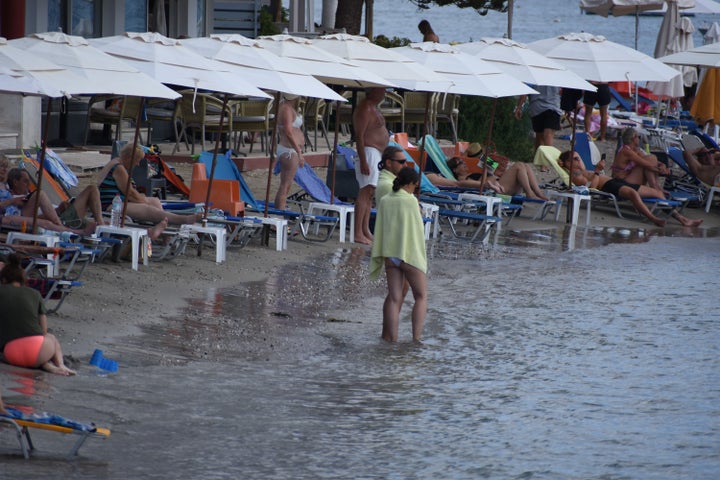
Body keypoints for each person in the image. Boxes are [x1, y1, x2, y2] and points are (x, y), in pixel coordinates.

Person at [559, 150, 702, 228]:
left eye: (578, 158)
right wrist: (597, 172)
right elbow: (591, 189)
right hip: (608, 187)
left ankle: (683, 219)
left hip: (616, 181)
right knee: (633, 194)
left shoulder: (584, 171)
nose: (579, 161)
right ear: (566, 164)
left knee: (658, 193)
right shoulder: (575, 175)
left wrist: (596, 171)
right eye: (575, 159)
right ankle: (654, 219)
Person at [370, 167, 427, 343]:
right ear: (410, 184)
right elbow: (416, 230)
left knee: (394, 298)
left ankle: (391, 340)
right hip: (408, 254)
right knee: (421, 297)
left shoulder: (386, 200)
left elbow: (381, 227)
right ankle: (416, 339)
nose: (415, 190)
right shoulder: (411, 201)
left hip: (390, 254)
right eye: (415, 186)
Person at [0, 253, 76, 375]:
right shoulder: (35, 294)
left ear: (3, 279)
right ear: (23, 279)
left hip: (11, 353)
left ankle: (47, 366)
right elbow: (44, 330)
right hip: (38, 351)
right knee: (50, 337)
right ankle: (60, 365)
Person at [97, 143, 198, 228]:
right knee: (149, 209)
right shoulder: (119, 168)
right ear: (130, 158)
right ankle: (182, 219)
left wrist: (144, 199)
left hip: (117, 201)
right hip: (111, 205)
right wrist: (144, 201)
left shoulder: (117, 163)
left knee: (155, 201)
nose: (138, 164)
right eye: (137, 160)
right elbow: (130, 194)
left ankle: (162, 229)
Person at [353, 87, 389, 245]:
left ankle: (365, 229)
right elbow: (359, 137)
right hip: (368, 153)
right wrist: (363, 161)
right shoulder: (365, 108)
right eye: (382, 90)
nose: (384, 93)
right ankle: (357, 232)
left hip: (376, 153)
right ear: (373, 91)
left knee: (370, 193)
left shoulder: (372, 108)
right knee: (365, 192)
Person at [612, 127, 669, 192]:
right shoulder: (626, 151)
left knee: (652, 157)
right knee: (649, 160)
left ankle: (656, 186)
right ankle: (655, 187)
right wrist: (662, 170)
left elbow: (651, 160)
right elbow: (647, 165)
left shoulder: (636, 150)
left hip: (629, 178)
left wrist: (662, 165)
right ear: (633, 138)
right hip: (621, 183)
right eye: (639, 137)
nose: (640, 139)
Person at [274, 94, 306, 210]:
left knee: (286, 185)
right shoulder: (286, 108)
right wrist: (299, 152)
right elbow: (288, 131)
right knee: (285, 186)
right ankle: (280, 218)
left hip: (289, 150)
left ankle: (280, 216)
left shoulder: (285, 107)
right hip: (289, 151)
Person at [515, 85, 562, 152]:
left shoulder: (532, 75)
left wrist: (519, 107)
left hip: (537, 107)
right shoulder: (557, 75)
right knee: (547, 135)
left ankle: (538, 159)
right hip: (552, 107)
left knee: (540, 136)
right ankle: (546, 160)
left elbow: (525, 91)